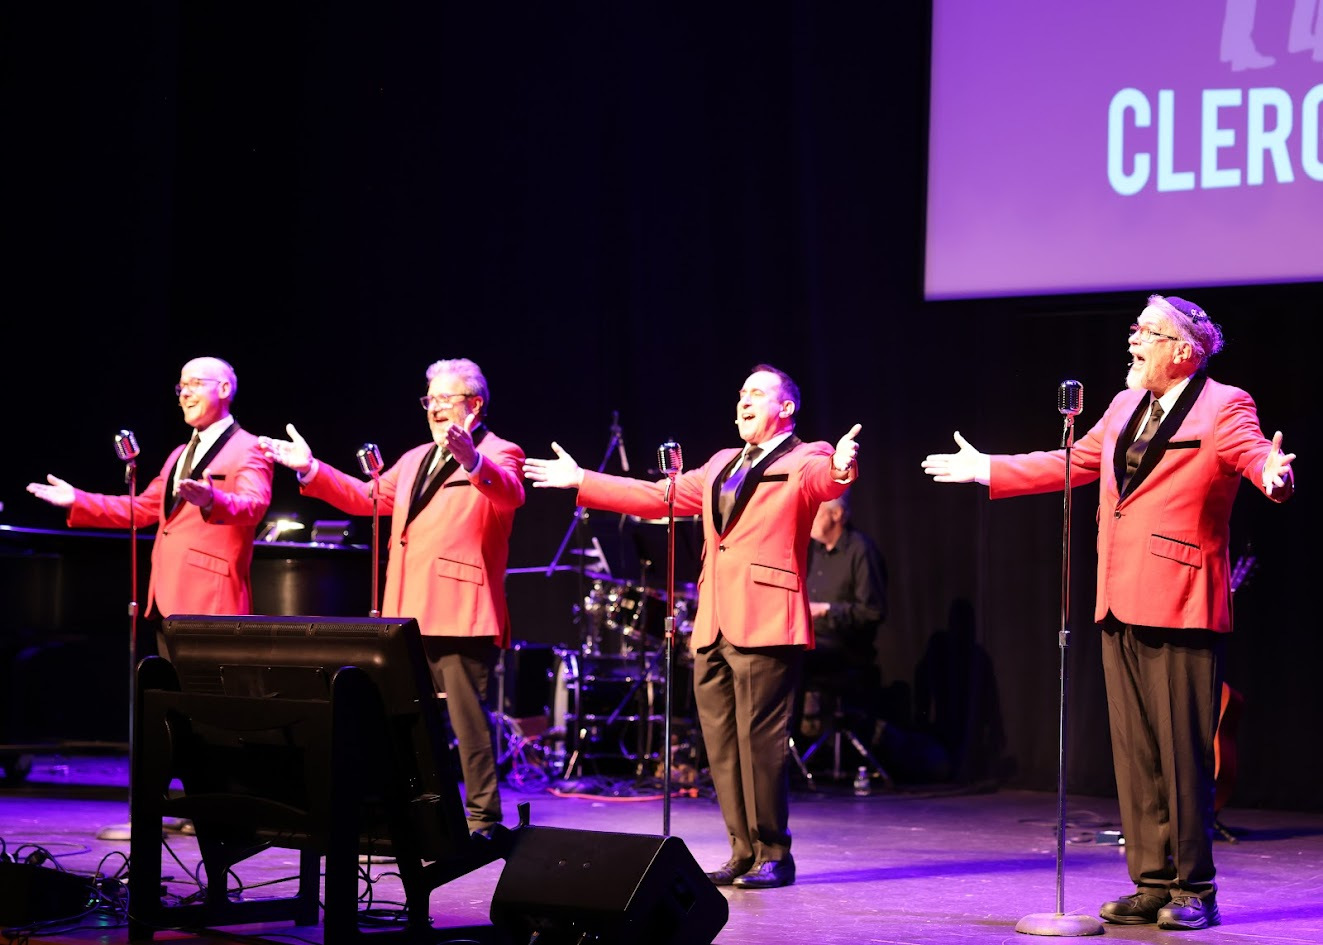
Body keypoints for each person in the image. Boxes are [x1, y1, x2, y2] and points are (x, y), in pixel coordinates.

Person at [921, 295, 1295, 931]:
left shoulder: (1223, 404)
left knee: (1182, 755)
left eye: (1147, 332)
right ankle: (1150, 882)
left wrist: (1272, 474)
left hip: (1182, 600)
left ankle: (1194, 888)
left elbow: (1254, 454)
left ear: (1184, 352)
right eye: (1135, 330)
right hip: (1119, 595)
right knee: (1135, 752)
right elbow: (1073, 463)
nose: (1133, 340)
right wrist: (988, 468)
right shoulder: (1125, 405)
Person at [525, 364, 861, 889]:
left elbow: (824, 479)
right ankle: (742, 851)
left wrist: (841, 467)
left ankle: (774, 852)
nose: (743, 400)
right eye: (741, 392)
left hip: (766, 618)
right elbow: (658, 495)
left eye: (756, 393)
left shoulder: (804, 456)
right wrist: (584, 480)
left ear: (786, 408)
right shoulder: (722, 463)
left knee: (761, 743)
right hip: (713, 621)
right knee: (721, 744)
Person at [258, 358, 524, 837]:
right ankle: (416, 810)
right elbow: (367, 497)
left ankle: (484, 815)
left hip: (460, 608)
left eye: (445, 398)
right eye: (430, 399)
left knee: (468, 719)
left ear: (475, 404)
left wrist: (472, 461)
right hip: (406, 606)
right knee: (407, 718)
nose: (435, 408)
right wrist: (310, 469)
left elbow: (508, 494)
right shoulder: (416, 456)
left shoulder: (499, 452)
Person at [27, 356, 273, 630]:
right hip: (166, 597)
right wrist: (79, 500)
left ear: (224, 389)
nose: (185, 394)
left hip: (212, 599)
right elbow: (143, 509)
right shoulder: (179, 454)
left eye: (195, 384)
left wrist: (212, 500)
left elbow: (254, 506)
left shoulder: (249, 448)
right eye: (181, 387)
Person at [797, 489, 888, 752]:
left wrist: (826, 610)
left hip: (846, 649)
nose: (809, 518)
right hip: (814, 641)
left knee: (789, 659)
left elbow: (873, 612)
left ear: (837, 514)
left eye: (816, 512)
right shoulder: (815, 550)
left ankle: (792, 749)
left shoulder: (861, 551)